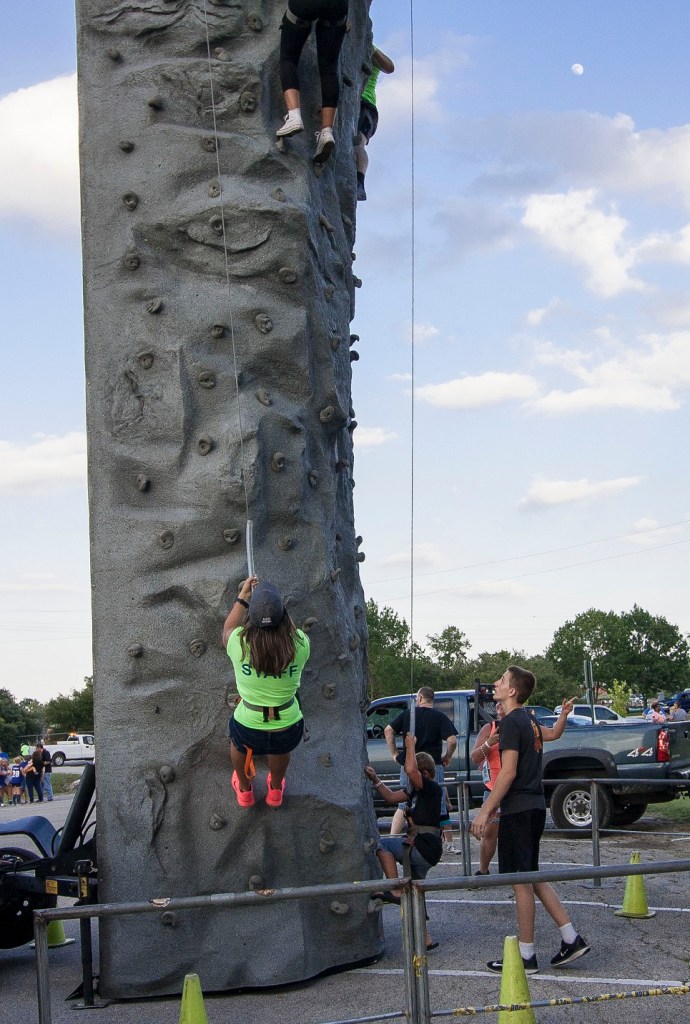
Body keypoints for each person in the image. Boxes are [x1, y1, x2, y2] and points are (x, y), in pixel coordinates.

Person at [470, 667, 589, 974]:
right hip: (534, 806)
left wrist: (485, 811)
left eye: (502, 681)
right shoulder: (531, 720)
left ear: (512, 691)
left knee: (521, 882)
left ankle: (526, 957)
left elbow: (507, 772)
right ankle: (570, 937)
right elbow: (555, 733)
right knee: (532, 877)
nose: (496, 683)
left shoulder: (510, 722)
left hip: (519, 810)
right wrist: (563, 714)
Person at [222, 576, 310, 808]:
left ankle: (244, 789)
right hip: (287, 723)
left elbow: (228, 628)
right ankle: (275, 789)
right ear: (284, 616)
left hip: (249, 724)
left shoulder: (238, 642)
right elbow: (288, 630)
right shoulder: (301, 643)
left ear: (251, 619)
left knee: (238, 744)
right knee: (281, 748)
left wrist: (243, 598)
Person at [365, 733, 442, 950]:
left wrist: (409, 747)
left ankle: (394, 888)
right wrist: (375, 780)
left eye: (415, 774)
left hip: (425, 847)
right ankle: (425, 937)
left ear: (424, 773)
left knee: (383, 845)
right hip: (423, 847)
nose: (409, 778)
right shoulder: (415, 793)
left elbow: (411, 770)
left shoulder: (430, 788)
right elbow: (390, 797)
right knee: (416, 892)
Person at [276, 0, 348, 163]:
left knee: (289, 59)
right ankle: (327, 132)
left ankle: (294, 116)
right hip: (338, 7)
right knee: (329, 68)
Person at [384, 687, 458, 842]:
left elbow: (388, 730)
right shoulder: (440, 717)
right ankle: (434, 840)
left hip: (409, 765)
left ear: (420, 697)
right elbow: (452, 740)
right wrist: (447, 757)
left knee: (404, 803)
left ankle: (392, 838)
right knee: (434, 803)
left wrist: (395, 754)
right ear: (432, 699)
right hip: (432, 766)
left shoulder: (407, 715)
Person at [355, 45, 395, 200]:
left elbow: (390, 67)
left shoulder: (369, 45)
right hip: (348, 100)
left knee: (359, 142)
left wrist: (371, 50)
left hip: (366, 103)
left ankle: (360, 181)